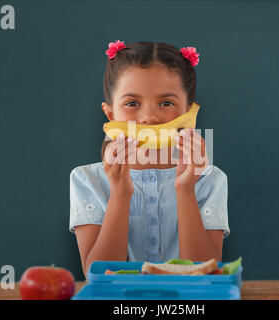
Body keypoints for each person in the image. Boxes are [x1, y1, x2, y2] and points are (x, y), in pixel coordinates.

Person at [69, 41, 230, 277]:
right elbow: (100, 274)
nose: (149, 117)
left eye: (166, 103)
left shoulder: (209, 180)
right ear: (111, 114)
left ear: (187, 114)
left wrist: (185, 189)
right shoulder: (86, 180)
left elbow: (204, 273)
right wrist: (120, 194)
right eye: (132, 103)